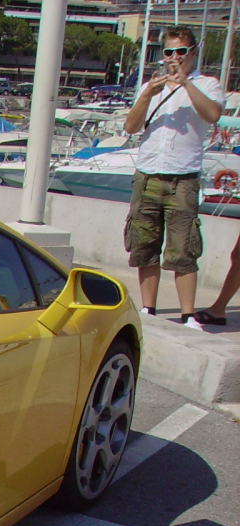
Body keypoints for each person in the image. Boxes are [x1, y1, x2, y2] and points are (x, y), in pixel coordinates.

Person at [122, 26, 225, 324]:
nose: (175, 57)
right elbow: (131, 127)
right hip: (148, 173)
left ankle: (188, 315)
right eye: (169, 52)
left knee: (184, 247)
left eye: (181, 51)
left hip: (183, 176)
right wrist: (148, 94)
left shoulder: (206, 83)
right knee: (144, 244)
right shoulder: (150, 86)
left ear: (193, 52)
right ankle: (148, 308)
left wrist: (185, 85)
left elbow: (213, 115)